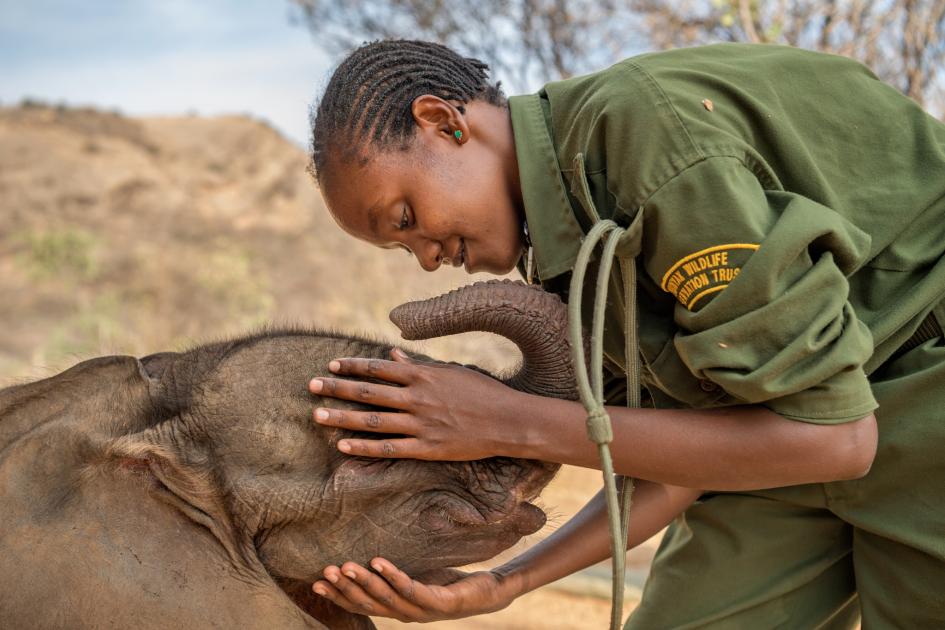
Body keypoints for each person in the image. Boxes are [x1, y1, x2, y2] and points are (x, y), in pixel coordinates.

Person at [303, 39, 945, 627]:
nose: (424, 258)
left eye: (407, 216)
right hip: (790, 431)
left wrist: (505, 420)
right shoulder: (566, 250)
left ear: (444, 123)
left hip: (918, 387)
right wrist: (505, 583)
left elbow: (836, 438)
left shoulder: (643, 141)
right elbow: (680, 457)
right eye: (399, 247)